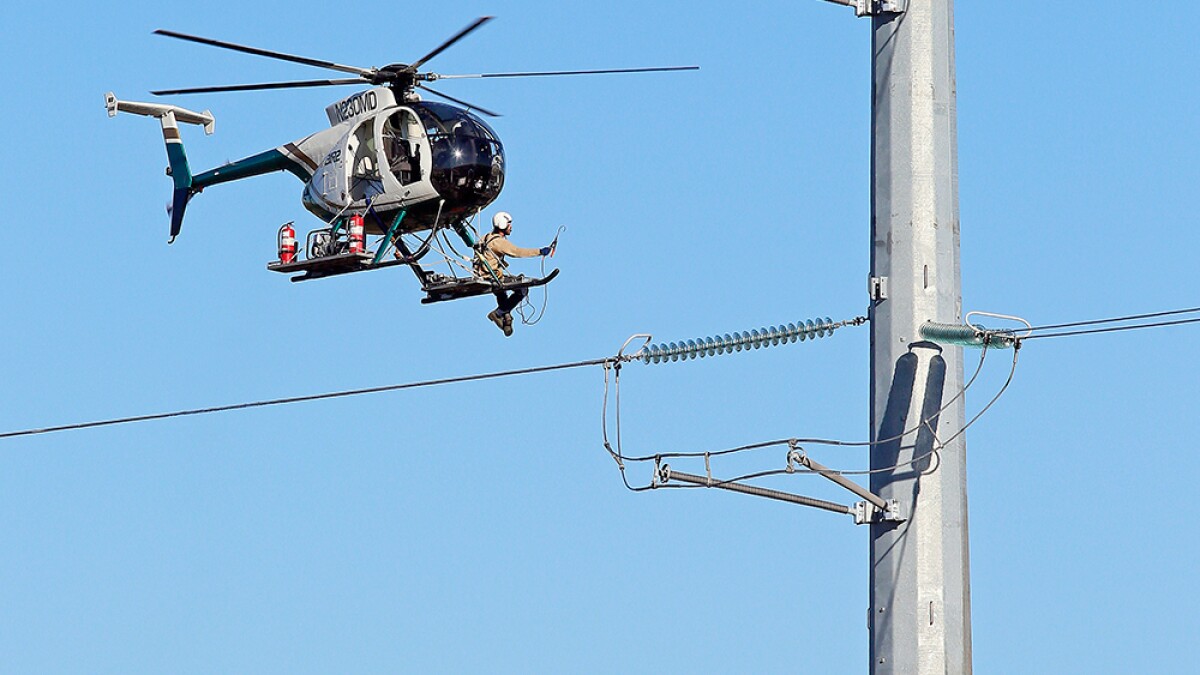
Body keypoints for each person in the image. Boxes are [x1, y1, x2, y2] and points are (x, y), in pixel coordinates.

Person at [475, 211, 552, 336]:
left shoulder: (486, 237)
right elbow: (517, 252)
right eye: (509, 224)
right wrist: (540, 251)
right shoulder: (499, 242)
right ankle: (498, 314)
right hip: (492, 277)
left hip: (484, 275)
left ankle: (506, 318)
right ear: (502, 224)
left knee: (501, 292)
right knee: (522, 289)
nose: (511, 227)